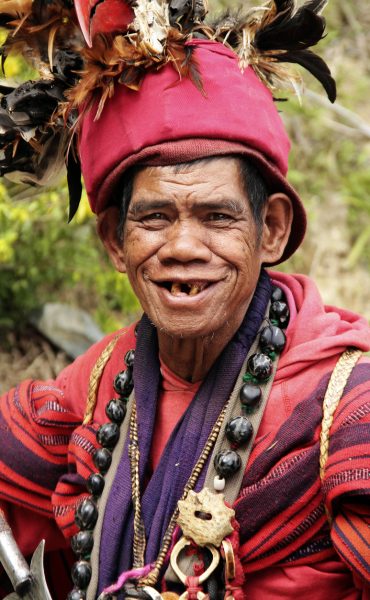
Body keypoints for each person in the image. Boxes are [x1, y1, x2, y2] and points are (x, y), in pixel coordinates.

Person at [0, 0, 369, 599]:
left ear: (271, 229)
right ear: (115, 242)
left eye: (218, 216)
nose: (182, 246)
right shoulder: (94, 384)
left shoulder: (344, 413)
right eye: (154, 218)